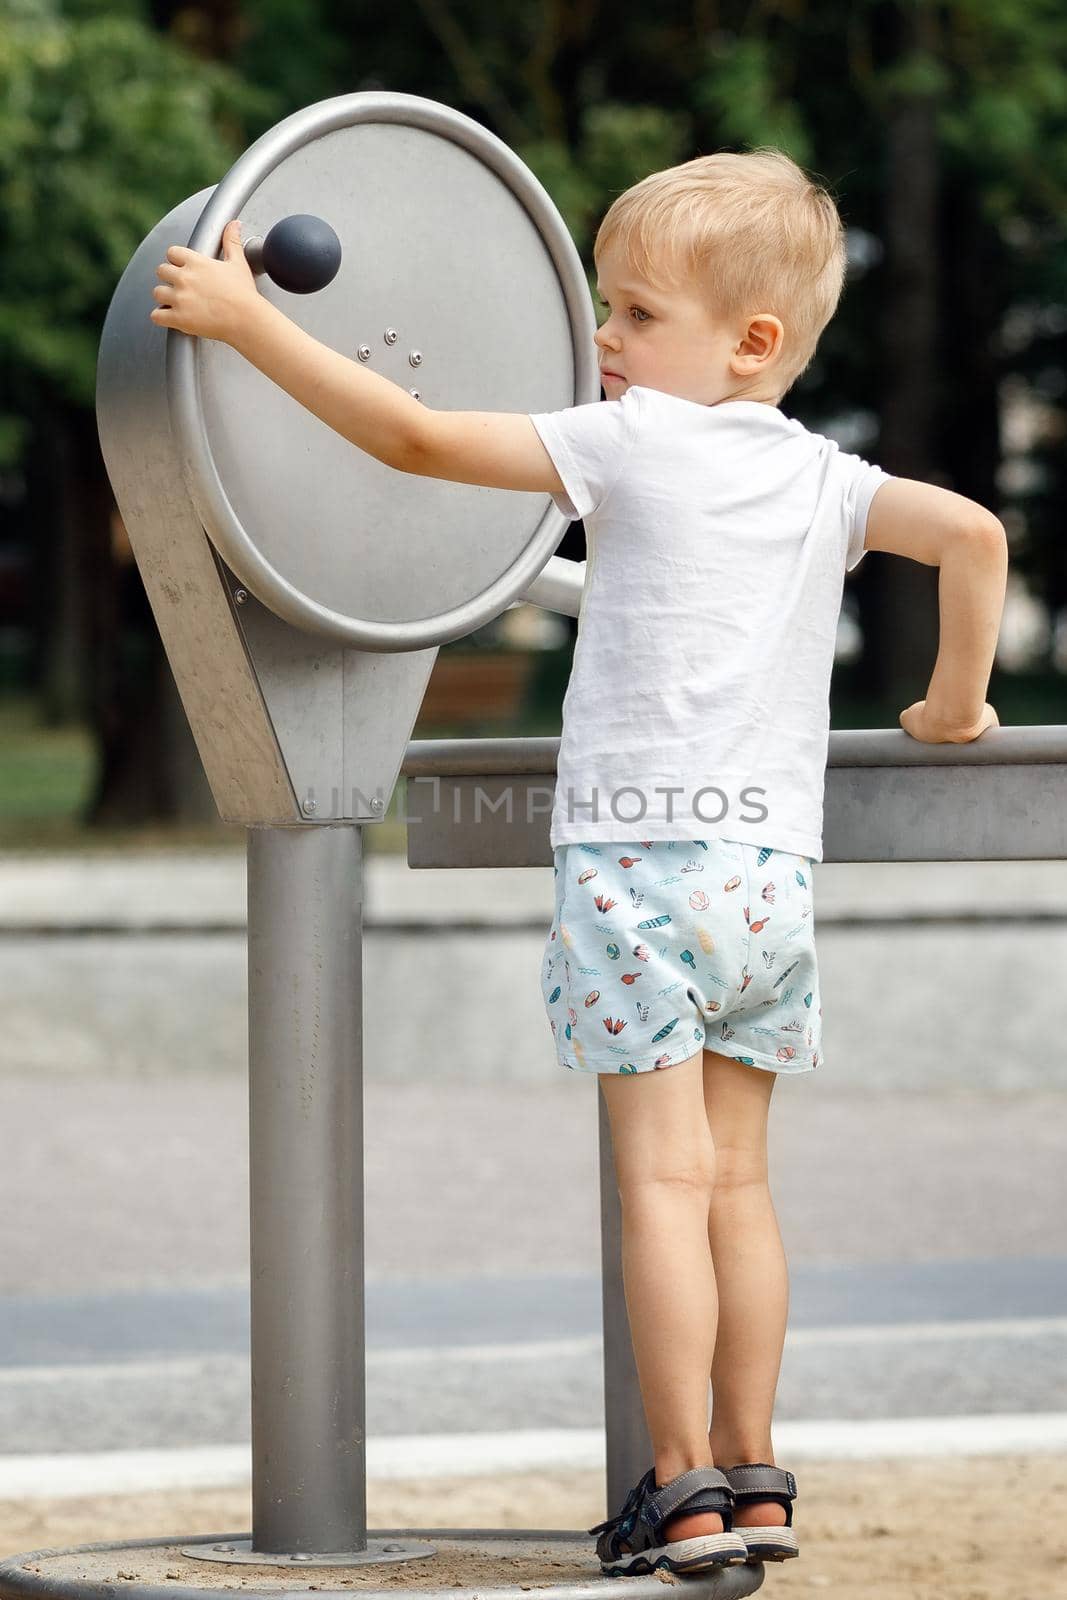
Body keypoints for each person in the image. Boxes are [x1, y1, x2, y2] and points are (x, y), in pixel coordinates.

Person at [151, 145, 1008, 1579]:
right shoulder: (826, 480)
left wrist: (251, 326)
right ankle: (755, 1472)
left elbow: (416, 441)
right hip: (767, 883)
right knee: (740, 1186)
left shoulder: (628, 446)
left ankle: (676, 1485)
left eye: (633, 314)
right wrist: (951, 706)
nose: (602, 339)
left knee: (661, 1191)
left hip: (637, 875)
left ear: (751, 345)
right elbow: (973, 537)